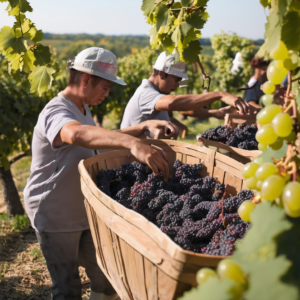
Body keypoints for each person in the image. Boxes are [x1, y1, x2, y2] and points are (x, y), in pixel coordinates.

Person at [24, 47, 177, 300]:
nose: (107, 94)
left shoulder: (82, 108)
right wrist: (132, 144)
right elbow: (75, 134)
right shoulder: (56, 111)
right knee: (67, 287)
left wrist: (142, 128)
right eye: (105, 87)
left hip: (84, 210)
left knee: (107, 277)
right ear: (86, 80)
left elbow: (96, 140)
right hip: (55, 214)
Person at [120, 52, 249, 129]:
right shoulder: (145, 93)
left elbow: (183, 109)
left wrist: (214, 113)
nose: (177, 85)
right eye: (176, 79)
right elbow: (173, 103)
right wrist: (218, 95)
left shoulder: (158, 95)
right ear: (162, 74)